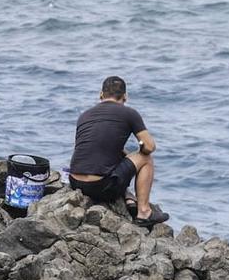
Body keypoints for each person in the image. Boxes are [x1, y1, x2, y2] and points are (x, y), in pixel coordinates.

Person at [67, 76, 168, 227]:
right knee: (146, 158)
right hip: (100, 188)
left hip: (76, 183)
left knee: (118, 156)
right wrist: (140, 149)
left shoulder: (85, 115)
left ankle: (128, 197)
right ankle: (144, 212)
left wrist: (126, 154)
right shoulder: (129, 113)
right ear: (125, 97)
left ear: (101, 95)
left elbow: (90, 148)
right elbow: (149, 146)